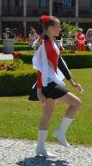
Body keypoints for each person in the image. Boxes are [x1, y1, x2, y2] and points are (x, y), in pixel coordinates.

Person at [32, 15, 84, 157]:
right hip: (48, 84)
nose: (60, 28)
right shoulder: (45, 45)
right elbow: (40, 69)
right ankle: (60, 132)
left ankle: (40, 148)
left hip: (50, 82)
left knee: (47, 115)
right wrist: (39, 91)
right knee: (76, 103)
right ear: (50, 28)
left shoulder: (52, 42)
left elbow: (60, 63)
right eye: (58, 26)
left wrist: (72, 82)